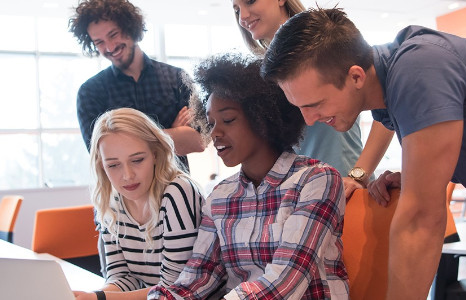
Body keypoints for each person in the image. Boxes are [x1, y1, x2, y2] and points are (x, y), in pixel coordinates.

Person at [261, 8, 466, 300]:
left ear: (356, 76)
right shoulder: (388, 97)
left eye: (315, 104)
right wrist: (416, 177)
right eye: (300, 107)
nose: (309, 119)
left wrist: (418, 192)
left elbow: (421, 219)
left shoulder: (420, 67)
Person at [148, 53, 348, 299]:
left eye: (228, 120)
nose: (215, 133)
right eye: (210, 124)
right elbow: (197, 277)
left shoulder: (317, 180)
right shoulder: (220, 196)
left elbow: (285, 282)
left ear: (262, 116)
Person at [231, 0, 395, 198]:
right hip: (298, 195)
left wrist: (358, 174)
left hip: (343, 185)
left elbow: (384, 104)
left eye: (250, 1)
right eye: (237, 9)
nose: (243, 16)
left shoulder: (326, 43)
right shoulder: (263, 73)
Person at [73, 107, 204, 300]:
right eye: (113, 165)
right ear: (102, 166)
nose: (127, 176)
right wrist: (91, 295)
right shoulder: (110, 201)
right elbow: (122, 277)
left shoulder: (178, 192)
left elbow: (174, 289)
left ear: (156, 154)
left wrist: (100, 298)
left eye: (137, 160)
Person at [68, 0, 204, 173]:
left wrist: (128, 144)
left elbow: (199, 141)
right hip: (125, 197)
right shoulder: (90, 92)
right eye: (99, 42)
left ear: (130, 27)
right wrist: (174, 132)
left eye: (113, 34)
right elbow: (101, 156)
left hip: (177, 190)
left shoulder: (178, 78)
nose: (109, 47)